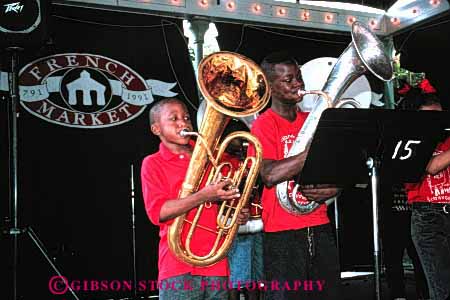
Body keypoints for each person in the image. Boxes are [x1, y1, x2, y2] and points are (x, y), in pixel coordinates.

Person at [249, 51, 341, 300]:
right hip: (282, 235)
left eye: (298, 77)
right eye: (288, 80)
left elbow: (335, 171)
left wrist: (335, 188)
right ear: (269, 86)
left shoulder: (312, 120)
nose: (298, 84)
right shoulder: (263, 125)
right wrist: (310, 152)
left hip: (320, 226)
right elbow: (269, 175)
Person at [140, 97, 250, 300]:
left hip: (216, 261)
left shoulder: (212, 157)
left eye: (186, 117)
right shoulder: (152, 163)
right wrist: (202, 196)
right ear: (157, 129)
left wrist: (234, 213)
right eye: (173, 119)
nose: (183, 123)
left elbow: (221, 202)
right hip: (177, 265)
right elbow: (159, 213)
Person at [400, 81, 450, 300]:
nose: (435, 124)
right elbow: (431, 166)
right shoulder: (410, 140)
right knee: (440, 288)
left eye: (439, 118)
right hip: (428, 217)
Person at [222, 120, 264, 300]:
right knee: (236, 280)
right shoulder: (222, 162)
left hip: (256, 222)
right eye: (239, 140)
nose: (243, 145)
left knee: (256, 278)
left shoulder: (250, 160)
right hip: (234, 226)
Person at [381, 183, 429, 300]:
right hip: (392, 222)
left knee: (420, 260)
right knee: (393, 259)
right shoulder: (387, 173)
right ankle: (399, 294)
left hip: (413, 219)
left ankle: (424, 293)